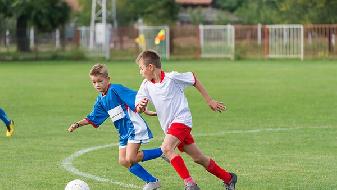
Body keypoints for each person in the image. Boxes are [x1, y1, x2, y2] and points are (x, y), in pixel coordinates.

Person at [135, 50, 237, 190]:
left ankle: (190, 184)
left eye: (141, 68)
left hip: (182, 120)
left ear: (150, 67)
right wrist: (141, 107)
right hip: (170, 128)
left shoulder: (172, 78)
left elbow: (193, 79)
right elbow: (139, 105)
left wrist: (209, 100)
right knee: (198, 158)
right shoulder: (145, 85)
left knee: (166, 148)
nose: (140, 71)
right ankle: (229, 178)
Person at [68, 64, 162, 190]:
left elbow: (136, 98)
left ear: (108, 79)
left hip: (133, 126)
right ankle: (152, 181)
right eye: (94, 82)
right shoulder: (101, 100)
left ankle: (163, 151)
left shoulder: (115, 89)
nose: (97, 85)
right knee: (124, 161)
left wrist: (144, 109)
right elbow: (92, 118)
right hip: (123, 132)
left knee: (131, 158)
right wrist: (77, 124)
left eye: (100, 81)